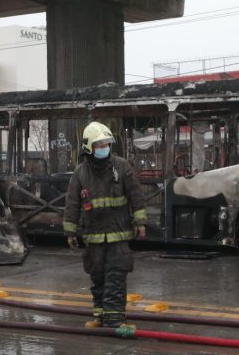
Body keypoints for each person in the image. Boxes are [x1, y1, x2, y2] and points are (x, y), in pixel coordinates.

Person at [64, 121, 147, 329]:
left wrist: (140, 222)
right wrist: (70, 232)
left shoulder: (121, 166)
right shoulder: (81, 173)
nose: (104, 148)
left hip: (118, 234)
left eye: (107, 144)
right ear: (89, 147)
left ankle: (114, 319)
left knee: (116, 276)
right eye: (99, 145)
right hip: (93, 236)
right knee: (98, 277)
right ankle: (100, 316)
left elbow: (136, 195)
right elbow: (72, 203)